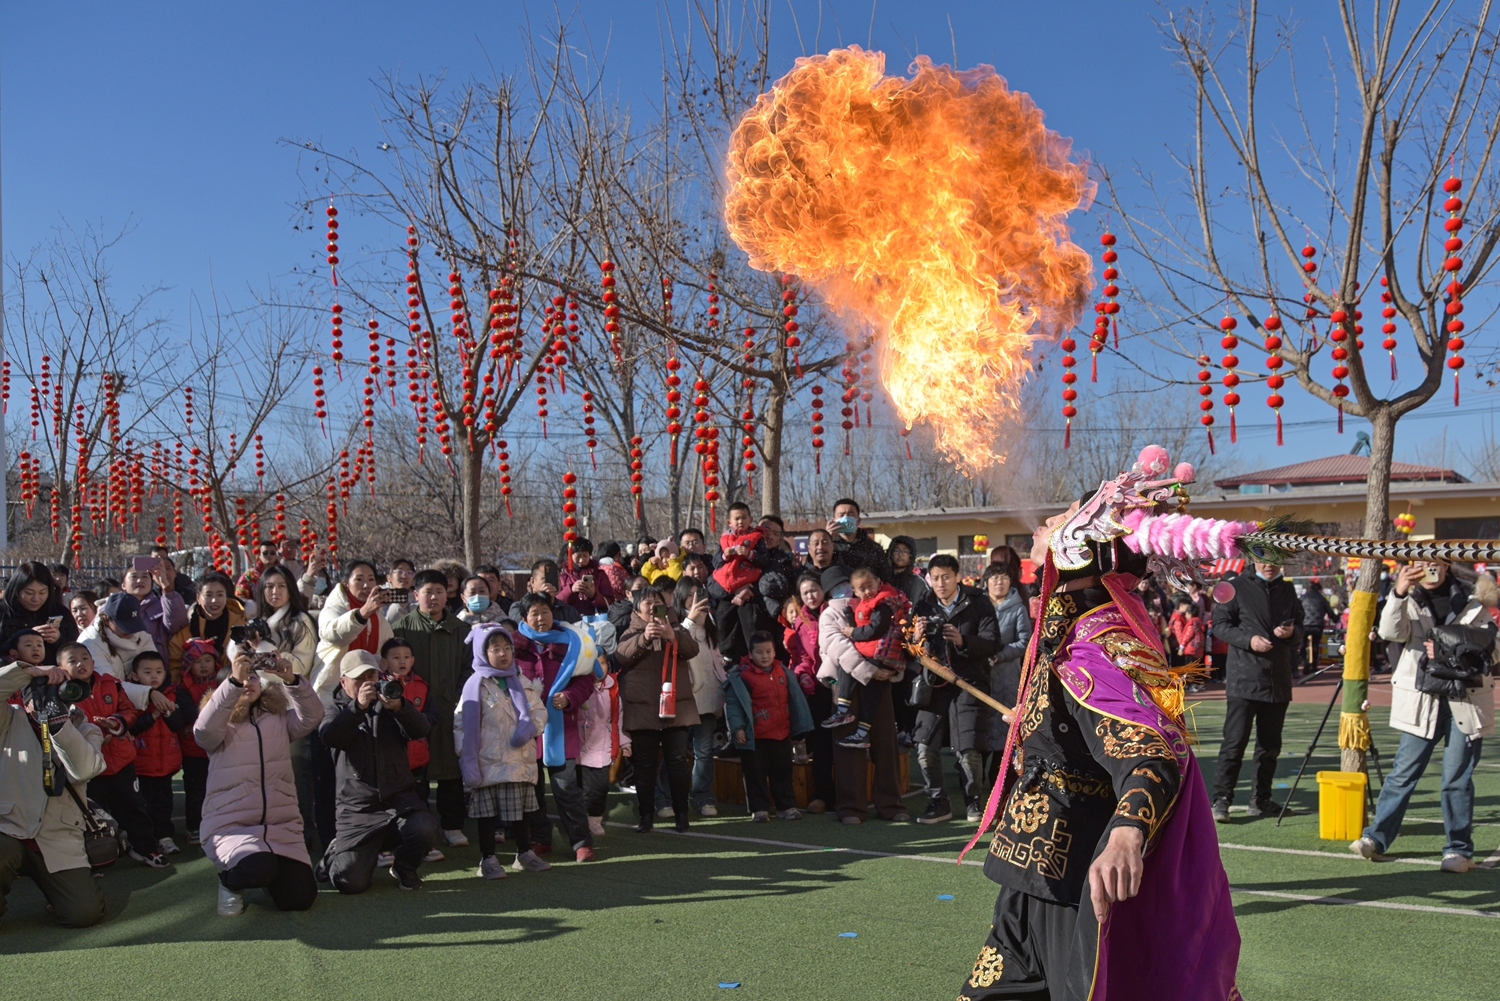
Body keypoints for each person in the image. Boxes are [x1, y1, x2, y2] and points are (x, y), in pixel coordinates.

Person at [957, 463, 1240, 1000]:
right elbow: (1080, 724)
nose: (1046, 528)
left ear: (1082, 549)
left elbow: (1151, 754)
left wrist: (1128, 833)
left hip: (1073, 876)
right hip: (1029, 869)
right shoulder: (1073, 633)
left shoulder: (1098, 642)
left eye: (1063, 518)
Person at [1350, 564, 1497, 872]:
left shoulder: (1476, 599)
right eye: (1418, 563)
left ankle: (1459, 850)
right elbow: (1390, 633)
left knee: (1457, 778)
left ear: (1445, 564)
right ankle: (1376, 838)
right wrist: (1399, 592)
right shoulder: (1409, 598)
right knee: (1403, 773)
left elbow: (1493, 651)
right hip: (1422, 698)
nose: (1427, 570)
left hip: (1465, 698)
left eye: (1433, 563)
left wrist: (1453, 645)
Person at [195, 645, 323, 916]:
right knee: (258, 869)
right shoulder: (218, 724)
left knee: (299, 899)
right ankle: (230, 883)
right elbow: (203, 733)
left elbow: (312, 716)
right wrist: (232, 682)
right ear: (224, 688)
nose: (247, 682)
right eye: (240, 677)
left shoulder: (277, 717)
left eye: (252, 676)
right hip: (231, 827)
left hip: (282, 826)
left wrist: (292, 681)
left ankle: (270, 874)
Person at [316, 650, 438, 893]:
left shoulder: (390, 704)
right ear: (343, 682)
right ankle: (334, 854)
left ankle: (405, 868)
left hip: (398, 801)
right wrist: (357, 707)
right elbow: (330, 737)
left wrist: (400, 707)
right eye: (359, 679)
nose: (367, 684)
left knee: (424, 827)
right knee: (350, 883)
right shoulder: (333, 709)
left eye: (371, 676)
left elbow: (421, 729)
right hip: (358, 809)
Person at [0, 657, 108, 928]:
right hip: (9, 829)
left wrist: (59, 726)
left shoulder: (85, 727)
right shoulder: (8, 720)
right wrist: (27, 672)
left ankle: (58, 893)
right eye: (42, 694)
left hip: (57, 837)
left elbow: (85, 770)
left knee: (83, 915)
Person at [61, 642, 170, 868]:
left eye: (85, 658)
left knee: (134, 807)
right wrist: (91, 737)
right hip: (88, 767)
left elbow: (128, 711)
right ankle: (94, 861)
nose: (81, 663)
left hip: (121, 761)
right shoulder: (61, 693)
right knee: (91, 815)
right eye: (73, 660)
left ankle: (145, 848)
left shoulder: (111, 683)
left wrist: (116, 724)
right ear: (60, 667)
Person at [912, 554, 1001, 824]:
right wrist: (916, 637)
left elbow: (993, 642)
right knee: (924, 745)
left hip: (970, 683)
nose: (940, 583)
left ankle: (974, 802)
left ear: (957, 576)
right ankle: (938, 802)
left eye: (946, 577)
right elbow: (910, 648)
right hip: (933, 684)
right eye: (935, 578)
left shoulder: (978, 602)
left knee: (969, 748)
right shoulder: (923, 605)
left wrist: (962, 639)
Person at [310, 560, 394, 845]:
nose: (366, 584)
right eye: (359, 579)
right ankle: (329, 838)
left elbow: (386, 645)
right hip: (333, 695)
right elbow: (333, 633)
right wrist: (362, 612)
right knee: (327, 772)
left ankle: (370, 836)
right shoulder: (335, 605)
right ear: (346, 583)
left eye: (371, 578)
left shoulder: (379, 614)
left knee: (362, 770)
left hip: (367, 697)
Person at [455, 624, 548, 879]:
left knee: (521, 812)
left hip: (518, 758)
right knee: (487, 815)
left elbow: (539, 710)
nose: (503, 653)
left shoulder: (520, 679)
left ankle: (524, 853)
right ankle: (488, 858)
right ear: (482, 652)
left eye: (507, 647)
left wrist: (530, 729)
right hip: (487, 759)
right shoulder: (475, 685)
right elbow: (461, 723)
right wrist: (466, 757)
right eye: (495, 648)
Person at [1210, 560, 1300, 823]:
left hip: (1278, 680)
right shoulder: (1234, 587)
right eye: (1264, 558)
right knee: (1234, 743)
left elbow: (1301, 627)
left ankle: (1261, 799)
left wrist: (1292, 632)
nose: (1270, 565)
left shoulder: (1288, 591)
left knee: (1270, 746)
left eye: (1275, 559)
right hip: (1244, 680)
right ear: (1253, 558)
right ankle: (1222, 798)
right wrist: (1248, 640)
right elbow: (1220, 624)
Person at [817, 567, 907, 825]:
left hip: (880, 680)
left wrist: (889, 668)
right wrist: (871, 671)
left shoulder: (877, 604)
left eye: (848, 584)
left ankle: (891, 804)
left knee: (886, 743)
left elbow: (891, 634)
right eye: (840, 587)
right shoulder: (828, 615)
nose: (846, 590)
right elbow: (839, 648)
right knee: (848, 748)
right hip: (846, 686)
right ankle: (851, 807)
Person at [512, 592, 597, 862]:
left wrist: (569, 697)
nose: (541, 618)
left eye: (545, 611)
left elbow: (585, 680)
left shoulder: (572, 643)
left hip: (562, 729)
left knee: (566, 787)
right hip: (525, 731)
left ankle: (581, 842)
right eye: (534, 613)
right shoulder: (513, 648)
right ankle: (540, 839)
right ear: (524, 618)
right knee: (531, 790)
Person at [395, 569, 473, 848]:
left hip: (451, 710)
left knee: (451, 770)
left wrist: (456, 696)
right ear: (416, 595)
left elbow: (469, 669)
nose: (434, 597)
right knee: (416, 773)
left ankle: (453, 826)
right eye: (428, 592)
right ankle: (420, 831)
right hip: (413, 712)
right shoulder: (402, 628)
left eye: (439, 591)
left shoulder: (461, 630)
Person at [615, 588, 701, 832]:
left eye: (657, 603)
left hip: (677, 706)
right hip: (643, 710)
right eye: (647, 603)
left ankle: (682, 815)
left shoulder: (676, 628)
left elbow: (692, 650)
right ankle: (645, 817)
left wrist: (672, 636)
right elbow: (621, 656)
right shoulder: (630, 632)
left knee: (677, 761)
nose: (653, 607)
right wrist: (644, 638)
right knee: (644, 765)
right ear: (637, 610)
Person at [724, 630, 813, 822]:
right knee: (755, 773)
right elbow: (734, 705)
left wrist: (799, 728)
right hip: (754, 735)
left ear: (775, 652)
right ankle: (759, 809)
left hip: (781, 732)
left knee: (782, 771)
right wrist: (738, 728)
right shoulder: (742, 677)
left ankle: (786, 806)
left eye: (768, 651)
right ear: (750, 653)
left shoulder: (784, 672)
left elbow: (796, 701)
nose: (764, 656)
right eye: (759, 652)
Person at [828, 566, 911, 749]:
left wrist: (853, 632)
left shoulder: (882, 603)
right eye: (862, 588)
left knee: (855, 676)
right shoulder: (866, 603)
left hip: (880, 653)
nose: (867, 591)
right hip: (877, 653)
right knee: (869, 694)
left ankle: (845, 713)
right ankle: (860, 732)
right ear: (855, 591)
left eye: (870, 586)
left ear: (878, 583)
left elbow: (876, 629)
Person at [126, 650, 193, 855]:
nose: (154, 676)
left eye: (158, 671)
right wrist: (153, 715)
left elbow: (178, 725)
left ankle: (165, 837)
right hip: (140, 764)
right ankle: (144, 841)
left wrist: (168, 712)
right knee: (140, 805)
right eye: (147, 672)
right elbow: (131, 727)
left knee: (164, 803)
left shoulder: (174, 693)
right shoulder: (131, 696)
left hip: (166, 763)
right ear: (135, 676)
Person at [669, 576, 724, 818]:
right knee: (676, 753)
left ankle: (703, 798)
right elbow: (677, 646)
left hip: (709, 700)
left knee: (704, 752)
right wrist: (690, 621)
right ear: (681, 600)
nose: (695, 602)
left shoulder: (712, 627)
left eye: (698, 595)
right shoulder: (676, 625)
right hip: (684, 701)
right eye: (689, 597)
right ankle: (665, 798)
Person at [788, 574, 834, 812]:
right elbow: (802, 656)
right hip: (817, 688)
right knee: (821, 742)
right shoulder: (801, 620)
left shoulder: (836, 608)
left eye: (814, 590)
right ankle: (823, 795)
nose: (811, 596)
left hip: (840, 683)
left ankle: (849, 795)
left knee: (844, 742)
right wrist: (803, 674)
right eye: (805, 592)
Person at [981, 564, 1029, 765]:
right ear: (986, 582)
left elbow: (1024, 641)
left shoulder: (1018, 607)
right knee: (981, 722)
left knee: (1004, 725)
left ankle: (999, 774)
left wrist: (1000, 656)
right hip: (981, 672)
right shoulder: (979, 604)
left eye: (1004, 578)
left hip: (1007, 674)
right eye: (994, 578)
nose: (999, 582)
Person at [175, 637, 222, 844]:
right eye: (197, 661)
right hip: (193, 749)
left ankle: (220, 824)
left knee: (220, 788)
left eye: (207, 660)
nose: (203, 666)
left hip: (220, 746)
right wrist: (213, 709)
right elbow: (187, 714)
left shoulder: (223, 681)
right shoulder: (183, 687)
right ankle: (194, 826)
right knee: (196, 789)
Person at [578, 667, 628, 837]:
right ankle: (581, 821)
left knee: (600, 789)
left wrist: (625, 742)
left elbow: (617, 720)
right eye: (594, 663)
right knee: (583, 790)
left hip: (604, 749)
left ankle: (594, 820)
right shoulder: (579, 685)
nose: (600, 667)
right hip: (581, 749)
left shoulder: (613, 689)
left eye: (603, 662)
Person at [167, 572, 245, 678]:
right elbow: (174, 666)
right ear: (198, 598)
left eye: (220, 595)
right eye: (208, 595)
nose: (214, 600)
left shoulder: (240, 625)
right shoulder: (187, 628)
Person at [0, 561, 76, 665]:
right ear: (16, 590)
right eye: (29, 593)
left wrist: (58, 639)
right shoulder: (3, 613)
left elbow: (77, 650)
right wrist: (25, 638)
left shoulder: (60, 612)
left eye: (42, 592)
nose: (36, 599)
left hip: (54, 676)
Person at [79, 591, 159, 682]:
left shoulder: (141, 634)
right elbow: (108, 684)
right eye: (124, 624)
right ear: (105, 618)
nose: (130, 630)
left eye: (133, 623)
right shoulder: (90, 641)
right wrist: (147, 693)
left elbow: (156, 669)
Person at [120, 560, 189, 659]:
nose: (140, 581)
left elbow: (177, 623)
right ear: (123, 585)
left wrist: (165, 584)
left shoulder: (162, 606)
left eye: (145, 576)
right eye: (134, 576)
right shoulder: (110, 609)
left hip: (154, 670)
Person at [828, 498, 893, 583]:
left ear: (858, 521)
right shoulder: (829, 547)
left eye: (850, 514)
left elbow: (886, 579)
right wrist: (827, 540)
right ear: (834, 521)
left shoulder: (873, 548)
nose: (846, 518)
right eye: (841, 515)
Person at [714, 502, 769, 593]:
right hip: (725, 585)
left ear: (750, 520)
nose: (740, 521)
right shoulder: (724, 539)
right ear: (729, 522)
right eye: (737, 519)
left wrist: (749, 554)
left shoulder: (756, 537)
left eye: (744, 518)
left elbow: (764, 560)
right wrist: (724, 556)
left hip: (748, 583)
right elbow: (715, 563)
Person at [559, 538, 618, 616]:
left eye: (585, 555)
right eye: (578, 556)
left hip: (595, 620)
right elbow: (557, 601)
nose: (581, 560)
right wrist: (571, 590)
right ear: (571, 555)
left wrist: (594, 596)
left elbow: (610, 602)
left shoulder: (599, 575)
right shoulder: (563, 576)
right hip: (570, 620)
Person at [511, 560, 583, 624]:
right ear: (532, 582)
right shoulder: (518, 608)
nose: (550, 584)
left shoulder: (568, 611)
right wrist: (541, 598)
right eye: (545, 579)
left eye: (555, 579)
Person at [1300, 579, 1335, 675]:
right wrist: (1336, 619)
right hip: (1317, 624)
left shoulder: (1303, 598)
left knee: (1303, 645)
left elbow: (1297, 610)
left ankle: (1305, 660)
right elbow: (1330, 612)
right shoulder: (1321, 599)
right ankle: (1314, 665)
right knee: (1315, 645)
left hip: (1304, 624)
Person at [236, 540, 283, 604]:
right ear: (259, 555)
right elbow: (240, 595)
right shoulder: (250, 574)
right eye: (265, 553)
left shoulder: (283, 572)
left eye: (272, 553)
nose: (269, 555)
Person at [888, 535, 930, 604]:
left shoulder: (918, 583)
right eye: (896, 550)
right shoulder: (882, 579)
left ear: (911, 555)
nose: (900, 554)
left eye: (905, 551)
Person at [383, 559, 416, 625]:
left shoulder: (419, 599)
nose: (404, 576)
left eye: (409, 573)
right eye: (400, 572)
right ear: (389, 578)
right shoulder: (381, 598)